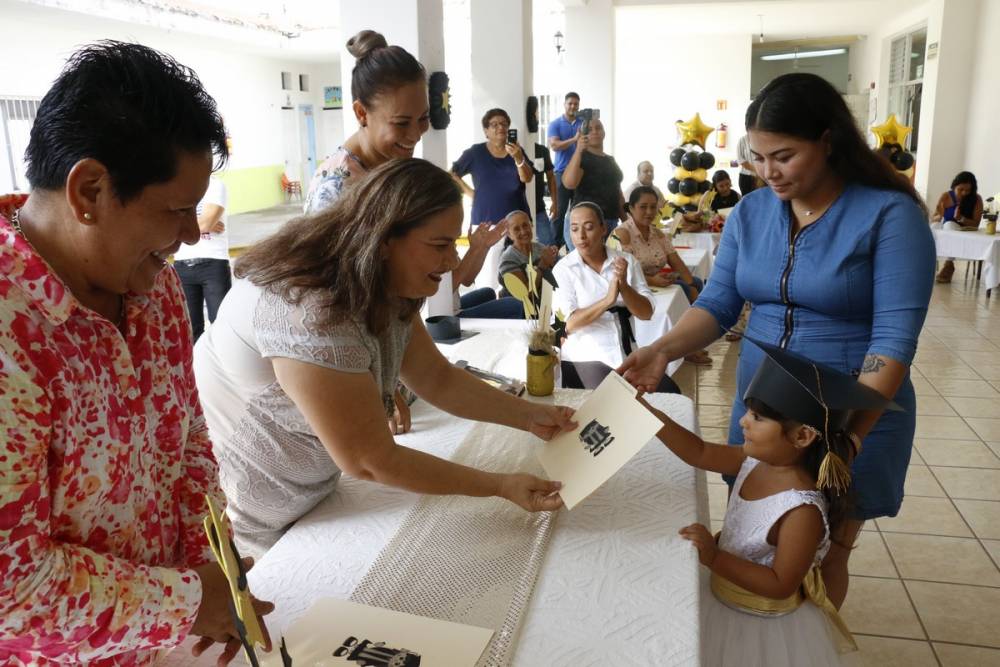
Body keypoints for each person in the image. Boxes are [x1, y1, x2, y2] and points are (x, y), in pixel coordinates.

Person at [618, 72, 936, 610]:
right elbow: (718, 305)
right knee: (758, 540)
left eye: (784, 156)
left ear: (829, 140)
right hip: (764, 410)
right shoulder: (751, 212)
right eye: (758, 157)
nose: (768, 172)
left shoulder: (889, 215)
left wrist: (847, 442)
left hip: (851, 417)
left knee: (827, 554)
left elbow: (892, 343)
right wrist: (662, 349)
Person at [0, 41, 269, 666]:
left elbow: (189, 445)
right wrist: (187, 601)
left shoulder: (154, 290)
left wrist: (213, 567)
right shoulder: (13, 329)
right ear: (90, 189)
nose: (193, 234)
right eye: (177, 210)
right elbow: (12, 592)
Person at [194, 160, 575, 558]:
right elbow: (370, 459)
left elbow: (435, 378)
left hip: (312, 503)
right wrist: (499, 486)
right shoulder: (310, 310)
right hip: (246, 522)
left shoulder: (382, 281)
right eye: (440, 246)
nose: (450, 263)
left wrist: (529, 417)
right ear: (386, 237)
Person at [642, 341, 884, 666]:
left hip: (760, 625)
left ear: (801, 437)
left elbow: (781, 584)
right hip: (721, 596)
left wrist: (713, 556)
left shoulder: (801, 512)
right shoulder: (752, 461)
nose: (744, 422)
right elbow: (699, 452)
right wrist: (651, 417)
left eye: (757, 417)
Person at [553, 202, 677, 393]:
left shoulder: (626, 261)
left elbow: (646, 313)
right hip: (585, 357)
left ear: (603, 229)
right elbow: (568, 324)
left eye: (589, 227)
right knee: (618, 397)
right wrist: (607, 301)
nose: (581, 236)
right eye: (575, 229)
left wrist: (624, 288)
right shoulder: (563, 269)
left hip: (627, 354)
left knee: (670, 392)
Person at [304, 30, 428, 214]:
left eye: (424, 118)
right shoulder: (336, 190)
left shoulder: (392, 165)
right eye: (401, 122)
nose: (416, 135)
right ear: (361, 113)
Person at [615, 186, 712, 366]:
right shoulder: (623, 234)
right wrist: (653, 280)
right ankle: (687, 348)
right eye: (643, 207)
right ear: (631, 208)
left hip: (658, 280)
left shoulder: (657, 233)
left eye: (653, 207)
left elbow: (675, 261)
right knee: (685, 289)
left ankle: (692, 340)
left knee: (696, 283)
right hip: (634, 285)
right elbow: (624, 272)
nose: (649, 212)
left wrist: (691, 282)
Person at [451, 108, 533, 230]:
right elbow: (451, 174)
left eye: (504, 124)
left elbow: (527, 178)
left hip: (517, 223)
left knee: (520, 250)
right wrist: (471, 193)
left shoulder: (517, 151)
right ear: (486, 131)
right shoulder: (475, 153)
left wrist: (518, 158)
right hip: (485, 222)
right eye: (494, 125)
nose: (500, 127)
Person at [173, 175, 231, 341]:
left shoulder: (215, 185)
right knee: (190, 327)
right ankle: (197, 366)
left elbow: (206, 223)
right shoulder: (177, 187)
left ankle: (221, 366)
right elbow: (163, 224)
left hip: (213, 263)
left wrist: (184, 226)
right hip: (182, 265)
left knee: (220, 323)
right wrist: (203, 225)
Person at [561, 119, 626, 251]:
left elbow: (617, 192)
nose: (595, 131)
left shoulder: (610, 160)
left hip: (610, 221)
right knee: (585, 268)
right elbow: (569, 183)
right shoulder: (581, 157)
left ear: (604, 132)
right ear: (582, 133)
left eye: (598, 128)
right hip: (585, 224)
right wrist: (578, 150)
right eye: (589, 129)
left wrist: (626, 221)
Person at [931, 171, 984, 283]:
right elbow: (934, 217)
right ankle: (928, 263)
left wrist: (961, 218)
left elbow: (976, 224)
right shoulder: (946, 196)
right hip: (945, 228)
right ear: (954, 186)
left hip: (964, 231)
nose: (964, 193)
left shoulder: (977, 199)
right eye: (961, 189)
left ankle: (949, 264)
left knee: (949, 225)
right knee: (934, 226)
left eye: (968, 190)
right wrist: (939, 215)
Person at [547, 92, 582, 248]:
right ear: (565, 105)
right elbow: (554, 145)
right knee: (559, 213)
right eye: (570, 103)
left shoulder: (583, 123)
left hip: (580, 174)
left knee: (578, 212)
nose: (573, 106)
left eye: (576, 104)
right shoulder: (555, 124)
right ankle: (556, 246)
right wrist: (574, 140)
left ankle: (573, 246)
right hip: (561, 173)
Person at [498, 210, 559, 295]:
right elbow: (524, 294)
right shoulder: (507, 259)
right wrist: (541, 266)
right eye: (516, 229)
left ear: (531, 225)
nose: (523, 232)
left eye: (525, 225)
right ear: (509, 234)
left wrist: (555, 257)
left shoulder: (540, 247)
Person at [532, 141, 559, 245]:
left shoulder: (542, 150)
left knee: (549, 245)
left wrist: (555, 203)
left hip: (538, 209)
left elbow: (551, 177)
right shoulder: (509, 150)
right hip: (513, 210)